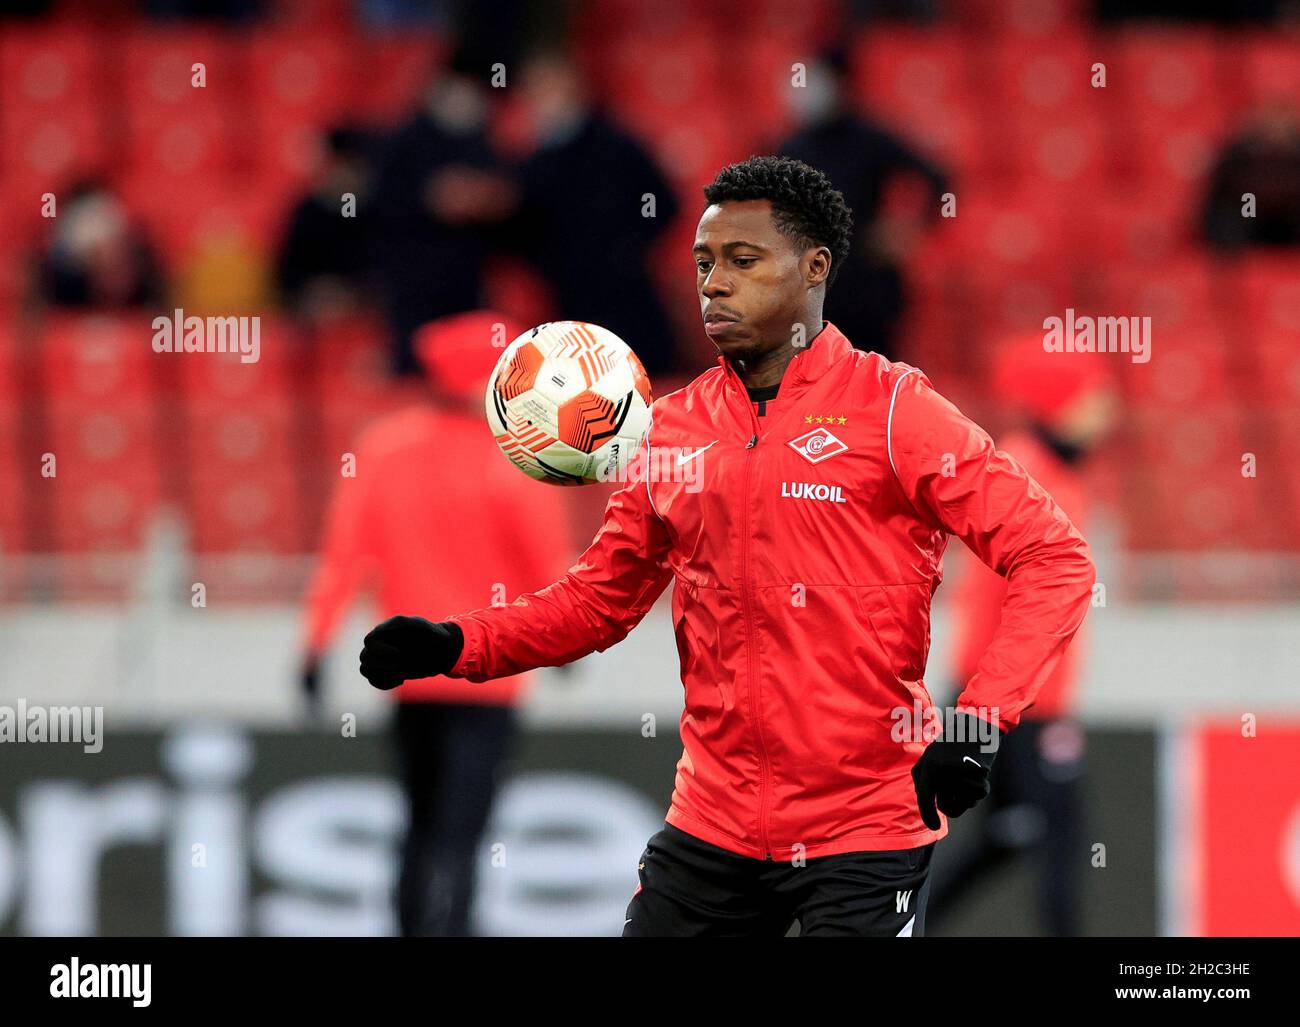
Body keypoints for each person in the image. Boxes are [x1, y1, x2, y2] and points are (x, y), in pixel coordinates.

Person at [358, 157, 1095, 938]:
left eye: (743, 261)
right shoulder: (669, 430)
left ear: (814, 270)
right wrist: (457, 640)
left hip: (865, 830)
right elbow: (596, 603)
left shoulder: (896, 413)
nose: (713, 283)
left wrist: (979, 721)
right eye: (704, 263)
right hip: (713, 822)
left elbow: (1055, 558)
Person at [300, 310, 572, 936]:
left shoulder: (384, 448)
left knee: (419, 827)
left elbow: (342, 560)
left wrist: (314, 651)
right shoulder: (521, 459)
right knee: (462, 835)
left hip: (413, 680)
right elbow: (549, 569)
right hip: (488, 676)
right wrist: (566, 645)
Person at [927, 333, 1118, 937]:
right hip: (1021, 703)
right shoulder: (1030, 479)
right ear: (1057, 403)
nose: (1107, 406)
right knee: (1060, 836)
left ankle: (912, 927)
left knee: (1009, 831)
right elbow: (1008, 604)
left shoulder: (1034, 468)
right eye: (1091, 393)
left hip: (995, 695)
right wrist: (995, 704)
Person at [509, 48, 682, 378]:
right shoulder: (531, 163)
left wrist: (627, 249)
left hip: (628, 300)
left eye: (552, 87)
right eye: (536, 91)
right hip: (566, 306)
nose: (544, 100)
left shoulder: (618, 147)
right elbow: (521, 233)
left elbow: (663, 204)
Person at [777, 47, 949, 361]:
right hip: (815, 287)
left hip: (869, 282)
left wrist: (908, 228)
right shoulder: (790, 146)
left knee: (876, 375)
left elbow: (936, 176)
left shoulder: (869, 138)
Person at [369, 45, 517, 376]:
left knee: (472, 374)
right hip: (413, 280)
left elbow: (512, 204)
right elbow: (379, 206)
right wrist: (431, 199)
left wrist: (489, 199)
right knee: (417, 369)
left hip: (468, 279)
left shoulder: (484, 141)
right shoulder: (402, 140)